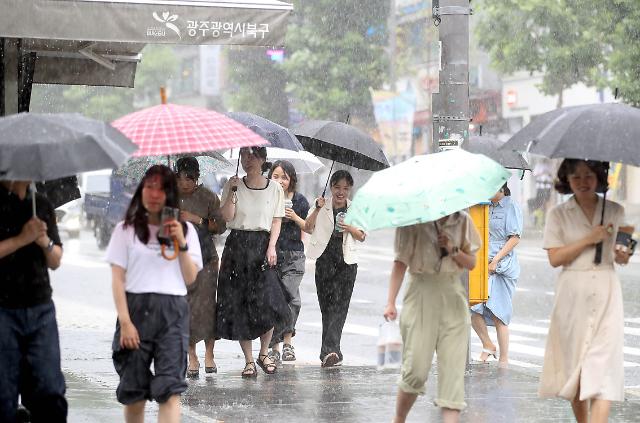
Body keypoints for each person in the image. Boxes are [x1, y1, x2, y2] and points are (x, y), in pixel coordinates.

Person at [106, 165, 202, 423]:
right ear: (141, 191)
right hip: (135, 311)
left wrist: (180, 243)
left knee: (170, 390)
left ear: (170, 194)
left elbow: (191, 277)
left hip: (173, 313)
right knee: (134, 390)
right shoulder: (125, 230)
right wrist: (125, 322)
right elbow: (118, 280)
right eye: (149, 186)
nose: (154, 193)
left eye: (161, 188)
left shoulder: (186, 231)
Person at [539, 159, 632, 423]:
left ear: (600, 178)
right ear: (566, 179)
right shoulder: (557, 215)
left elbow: (623, 255)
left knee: (604, 370)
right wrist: (589, 239)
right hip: (572, 295)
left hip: (606, 292)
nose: (583, 182)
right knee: (576, 369)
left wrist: (623, 252)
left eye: (589, 175)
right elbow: (555, 258)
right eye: (576, 176)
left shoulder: (615, 211)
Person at [383, 211, 481, 423]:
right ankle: (399, 418)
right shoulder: (411, 220)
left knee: (453, 377)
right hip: (420, 294)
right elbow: (400, 262)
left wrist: (452, 249)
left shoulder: (463, 221)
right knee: (416, 370)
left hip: (453, 297)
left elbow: (472, 262)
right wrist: (390, 301)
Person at [217, 146, 287, 378]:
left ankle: (264, 353)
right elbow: (226, 217)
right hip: (237, 245)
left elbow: (276, 220)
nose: (248, 159)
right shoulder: (232, 183)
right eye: (244, 154)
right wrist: (233, 193)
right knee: (240, 303)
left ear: (263, 159)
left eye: (254, 155)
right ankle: (248, 360)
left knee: (268, 302)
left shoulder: (275, 188)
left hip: (262, 246)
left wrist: (271, 246)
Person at [0, 180, 67, 423]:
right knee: (4, 395)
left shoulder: (43, 205)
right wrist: (21, 238)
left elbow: (56, 260)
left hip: (40, 308)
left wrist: (44, 242)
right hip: (3, 309)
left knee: (49, 391)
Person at [305, 170, 366, 368]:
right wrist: (316, 208)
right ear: (331, 187)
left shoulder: (355, 208)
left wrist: (349, 227)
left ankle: (329, 351)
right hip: (324, 257)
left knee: (341, 306)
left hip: (346, 260)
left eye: (346, 188)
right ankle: (332, 351)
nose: (341, 192)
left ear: (350, 190)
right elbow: (307, 227)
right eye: (338, 187)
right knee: (327, 306)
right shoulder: (321, 205)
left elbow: (362, 235)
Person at [175, 157, 226, 377]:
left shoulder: (208, 197)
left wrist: (197, 219)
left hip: (206, 258)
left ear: (196, 176)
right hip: (179, 258)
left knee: (206, 307)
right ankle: (191, 355)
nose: (185, 183)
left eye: (190, 178)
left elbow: (220, 226)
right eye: (181, 177)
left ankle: (209, 354)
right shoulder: (170, 197)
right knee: (186, 308)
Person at [470, 182, 523, 368]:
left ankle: (504, 359)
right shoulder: (485, 206)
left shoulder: (511, 206)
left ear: (500, 188)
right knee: (473, 307)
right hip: (482, 264)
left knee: (499, 312)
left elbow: (515, 237)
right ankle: (488, 344)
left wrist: (495, 261)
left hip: (501, 266)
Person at [266, 160, 310, 363]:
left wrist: (294, 217)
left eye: (284, 177)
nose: (280, 181)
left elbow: (308, 227)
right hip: (273, 254)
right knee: (275, 300)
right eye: (276, 176)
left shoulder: (300, 201)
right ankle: (275, 346)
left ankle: (287, 341)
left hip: (293, 254)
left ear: (291, 179)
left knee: (290, 297)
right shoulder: (267, 198)